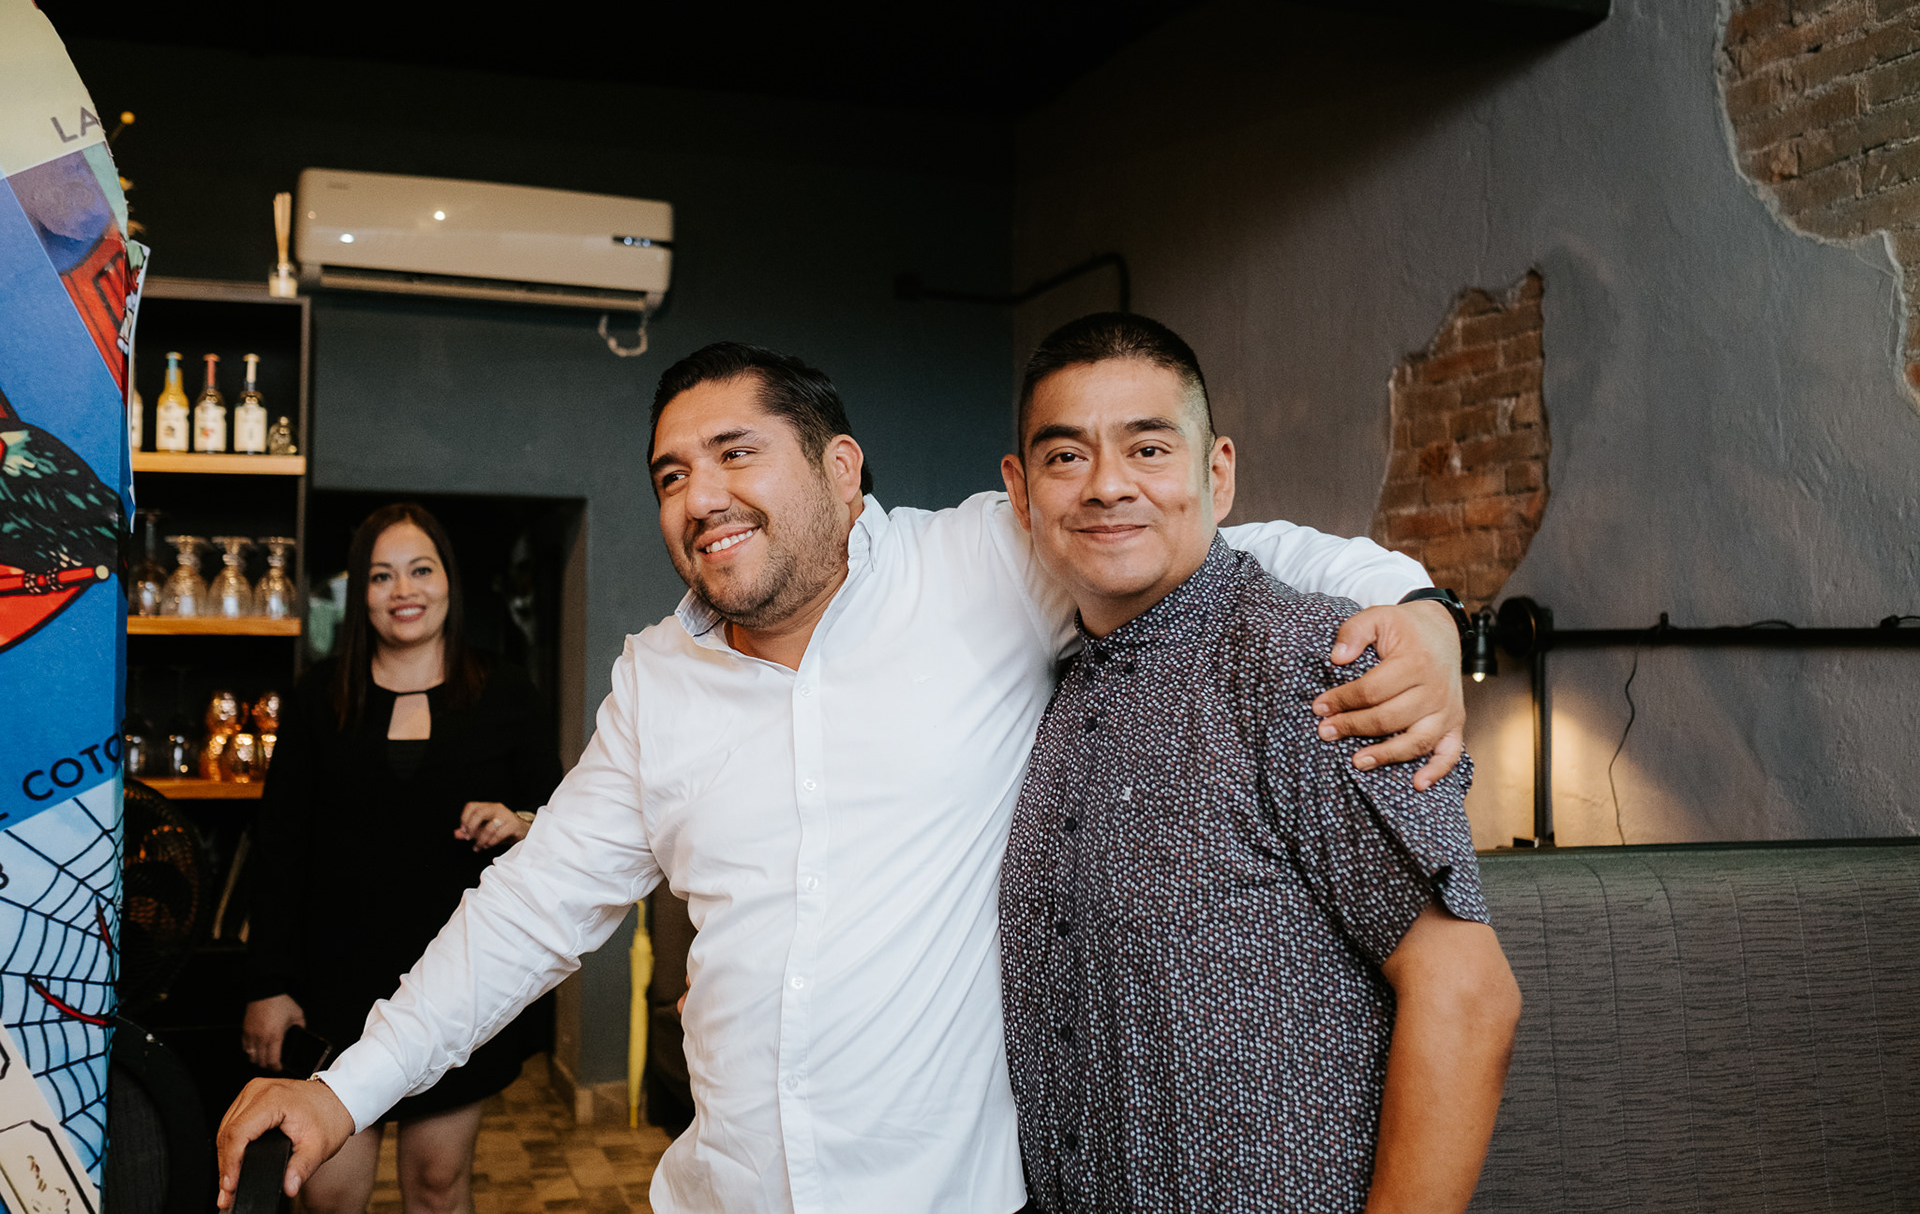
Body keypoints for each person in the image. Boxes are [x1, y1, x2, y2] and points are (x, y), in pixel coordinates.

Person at [217, 342, 1470, 1214]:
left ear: (841, 468)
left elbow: (1210, 541)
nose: (700, 497)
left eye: (736, 453)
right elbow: (530, 910)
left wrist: (1421, 611)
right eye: (671, 474)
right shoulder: (656, 681)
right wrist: (342, 1089)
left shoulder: (982, 567)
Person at [997, 314, 1520, 1213]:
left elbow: (1468, 998)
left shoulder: (1307, 663)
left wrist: (1431, 612)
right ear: (1022, 491)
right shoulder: (1053, 689)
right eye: (1066, 457)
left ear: (1218, 474)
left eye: (1149, 449)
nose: (1107, 485)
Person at [241, 502, 561, 1214]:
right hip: (333, 991)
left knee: (438, 1188)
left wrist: (518, 821)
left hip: (457, 982)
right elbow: (279, 847)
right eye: (381, 575)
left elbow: (564, 823)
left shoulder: (507, 692)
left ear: (449, 581)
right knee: (329, 1196)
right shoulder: (319, 697)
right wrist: (269, 984)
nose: (403, 590)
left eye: (421, 570)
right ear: (359, 592)